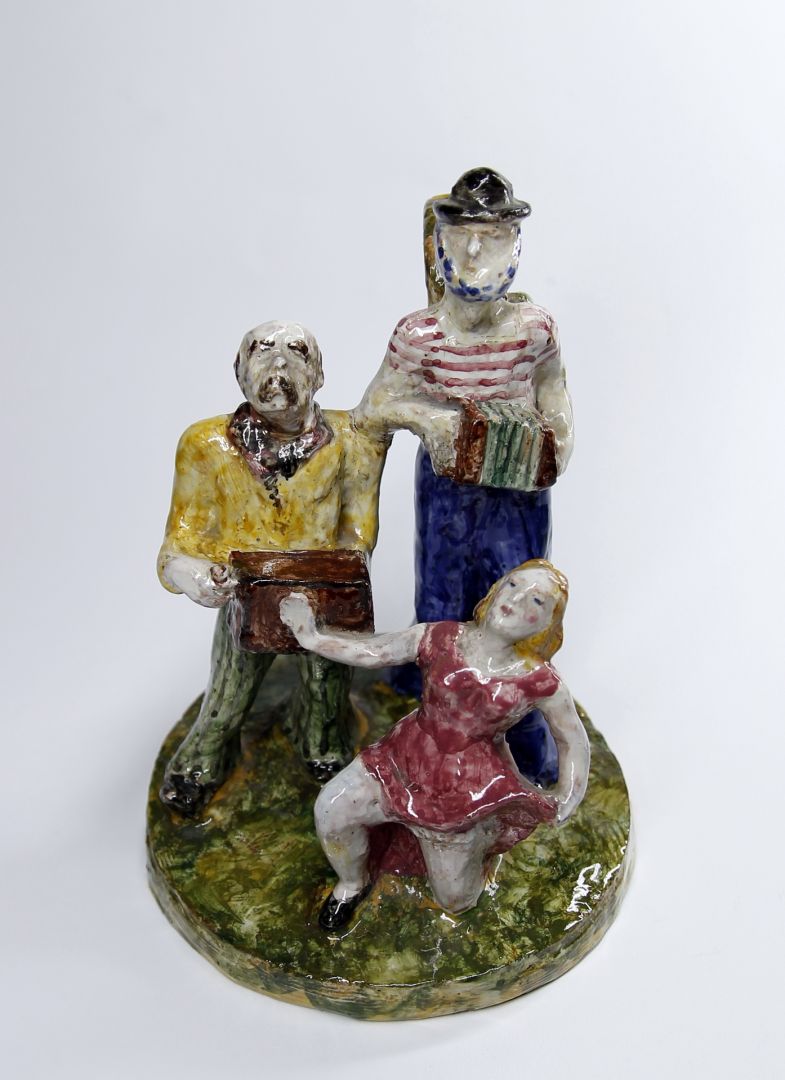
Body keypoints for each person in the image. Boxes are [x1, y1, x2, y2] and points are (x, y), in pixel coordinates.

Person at [353, 167, 575, 786]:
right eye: (461, 237)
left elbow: (552, 390)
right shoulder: (419, 334)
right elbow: (374, 408)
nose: (476, 252)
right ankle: (439, 727)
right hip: (449, 490)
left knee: (520, 593)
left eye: (494, 237)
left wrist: (558, 442)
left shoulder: (535, 329)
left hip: (519, 492)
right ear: (439, 242)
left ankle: (521, 730)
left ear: (517, 243)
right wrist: (434, 420)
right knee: (444, 596)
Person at [280, 559, 590, 930]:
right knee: (332, 810)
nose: (517, 599)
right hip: (406, 756)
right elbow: (374, 651)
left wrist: (568, 795)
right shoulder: (440, 637)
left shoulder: (539, 680)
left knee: (455, 900)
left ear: (546, 625)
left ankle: (481, 842)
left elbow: (572, 738)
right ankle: (352, 884)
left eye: (537, 601)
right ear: (495, 591)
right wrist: (312, 637)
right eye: (512, 585)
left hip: (467, 786)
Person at [157, 320, 387, 814]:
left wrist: (339, 581)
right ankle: (207, 753)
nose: (278, 363)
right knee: (228, 693)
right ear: (239, 371)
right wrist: (197, 578)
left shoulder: (351, 441)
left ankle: (320, 741)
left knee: (327, 689)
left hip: (324, 591)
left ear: (318, 374)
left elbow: (357, 533)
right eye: (261, 351)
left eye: (297, 352)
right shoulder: (206, 444)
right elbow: (179, 546)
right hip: (246, 591)